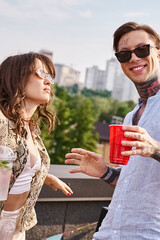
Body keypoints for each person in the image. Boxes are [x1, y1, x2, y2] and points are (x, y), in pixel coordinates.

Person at [64, 22, 160, 239]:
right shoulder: (132, 115)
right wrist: (105, 171)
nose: (134, 58)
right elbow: (135, 183)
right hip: (111, 231)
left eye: (142, 50)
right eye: (124, 54)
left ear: (159, 53)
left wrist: (156, 148)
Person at [0, 52, 73, 239]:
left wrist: (42, 175)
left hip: (17, 226)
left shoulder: (30, 129)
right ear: (17, 76)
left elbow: (11, 166)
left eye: (50, 77)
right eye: (41, 74)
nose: (48, 81)